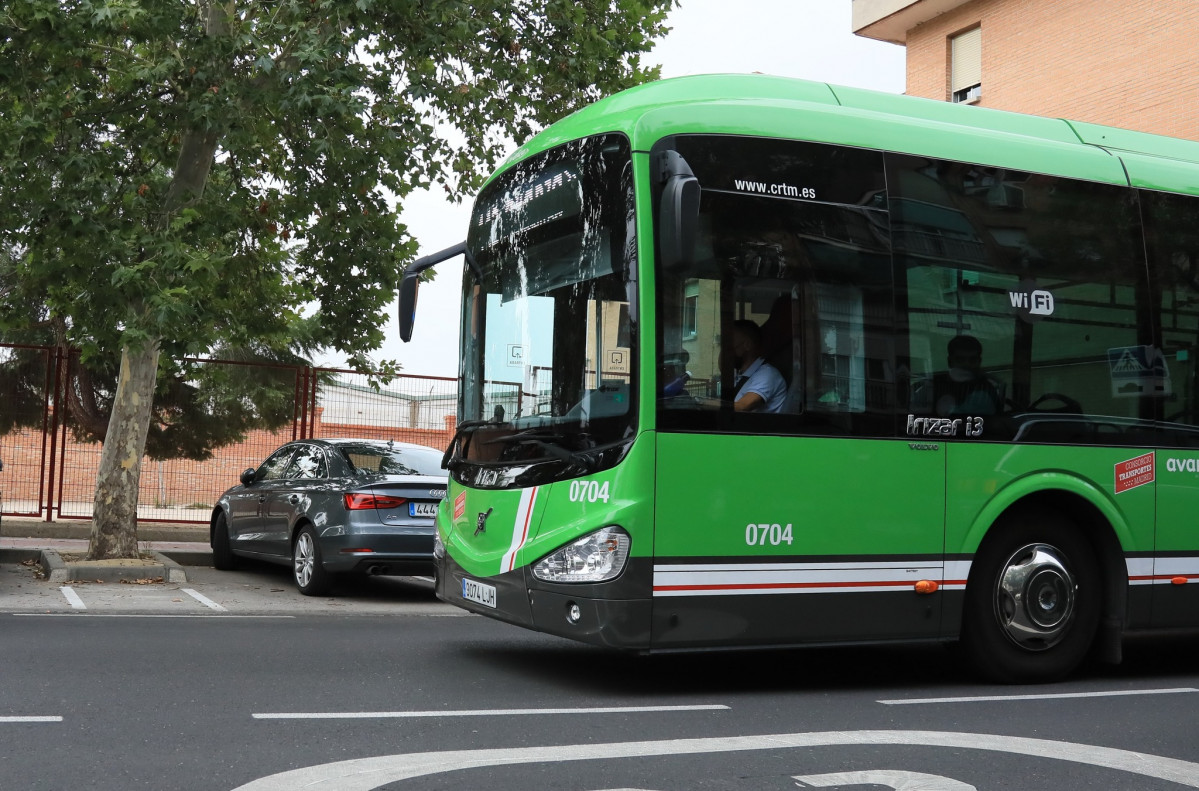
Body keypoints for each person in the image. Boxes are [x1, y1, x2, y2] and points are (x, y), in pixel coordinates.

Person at [931, 334, 1003, 416]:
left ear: (979, 361)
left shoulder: (987, 389)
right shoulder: (931, 386)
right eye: (960, 359)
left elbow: (996, 422)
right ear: (950, 361)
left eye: (972, 359)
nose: (966, 364)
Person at [730, 319, 787, 413]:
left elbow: (742, 407)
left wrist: (705, 404)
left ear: (747, 345)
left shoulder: (767, 374)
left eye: (731, 346)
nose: (727, 352)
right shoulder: (742, 374)